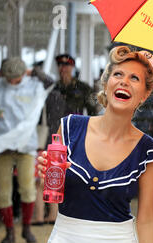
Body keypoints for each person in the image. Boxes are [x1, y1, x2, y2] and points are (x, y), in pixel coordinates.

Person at [37, 46, 153, 243]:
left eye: (134, 78)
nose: (124, 82)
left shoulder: (149, 150)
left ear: (145, 94)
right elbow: (55, 190)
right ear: (106, 84)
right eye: (118, 74)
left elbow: (147, 218)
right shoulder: (70, 126)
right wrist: (47, 174)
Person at [32, 54, 100, 226]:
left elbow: (94, 110)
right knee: (50, 174)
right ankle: (50, 213)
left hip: (76, 136)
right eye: (61, 66)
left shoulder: (83, 88)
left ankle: (67, 211)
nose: (63, 69)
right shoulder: (52, 87)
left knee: (73, 174)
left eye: (67, 66)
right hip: (54, 136)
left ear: (72, 67)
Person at [0, 57, 48, 243]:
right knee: (3, 191)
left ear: (22, 74)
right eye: (8, 78)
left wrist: (34, 72)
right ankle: (9, 231)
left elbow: (50, 83)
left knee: (27, 186)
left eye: (15, 78)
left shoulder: (33, 84)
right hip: (1, 146)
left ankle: (26, 228)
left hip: (26, 145)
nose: (11, 82)